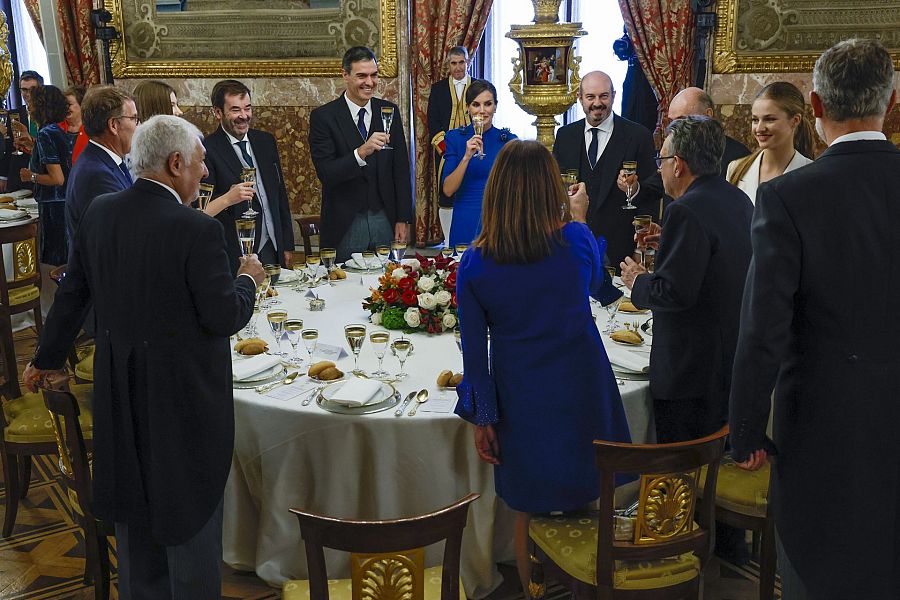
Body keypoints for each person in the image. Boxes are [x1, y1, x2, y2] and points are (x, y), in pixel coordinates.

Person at [23, 114, 264, 598]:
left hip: (119, 392)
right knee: (190, 520)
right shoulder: (196, 229)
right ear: (175, 164)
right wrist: (248, 280)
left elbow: (74, 296)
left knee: (135, 517)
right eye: (199, 165)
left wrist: (46, 358)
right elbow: (223, 317)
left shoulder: (102, 212)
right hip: (184, 402)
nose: (203, 175)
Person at [729, 38, 900, 598]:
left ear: (818, 107)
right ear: (890, 102)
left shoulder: (787, 198)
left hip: (825, 427)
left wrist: (747, 428)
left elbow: (763, 328)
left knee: (818, 573)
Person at [455, 139, 630, 593]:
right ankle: (591, 586)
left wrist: (485, 419)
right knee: (590, 494)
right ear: (551, 189)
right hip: (581, 385)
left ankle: (534, 590)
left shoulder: (475, 262)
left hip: (522, 393)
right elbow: (598, 285)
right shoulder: (572, 240)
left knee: (525, 508)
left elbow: (474, 356)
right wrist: (579, 218)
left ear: (496, 191)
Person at [619, 116, 752, 444]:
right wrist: (669, 242)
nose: (659, 168)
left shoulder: (686, 210)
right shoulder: (735, 198)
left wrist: (637, 281)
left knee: (676, 473)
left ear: (677, 165)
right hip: (724, 363)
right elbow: (715, 262)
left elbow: (673, 293)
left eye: (661, 160)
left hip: (688, 373)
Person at [309, 46, 413, 261]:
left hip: (384, 218)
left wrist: (403, 218)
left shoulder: (388, 111)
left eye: (374, 75)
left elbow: (401, 170)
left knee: (389, 285)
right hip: (345, 221)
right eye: (361, 76)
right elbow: (327, 173)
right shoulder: (324, 117)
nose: (370, 82)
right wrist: (361, 152)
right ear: (345, 75)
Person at [553, 71, 656, 270]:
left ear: (614, 96)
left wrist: (634, 189)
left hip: (622, 247)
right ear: (580, 98)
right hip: (572, 245)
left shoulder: (638, 136)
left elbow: (655, 189)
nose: (597, 103)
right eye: (590, 97)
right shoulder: (565, 135)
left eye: (604, 96)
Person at [202, 79, 294, 271]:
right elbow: (202, 209)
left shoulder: (265, 141)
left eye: (248, 108)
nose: (244, 116)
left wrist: (286, 245)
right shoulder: (207, 150)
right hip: (233, 252)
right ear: (218, 113)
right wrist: (230, 198)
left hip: (272, 246)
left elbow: (280, 195)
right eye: (235, 110)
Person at [619, 87, 751, 206]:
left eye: (681, 120)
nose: (674, 129)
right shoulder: (673, 150)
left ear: (708, 115)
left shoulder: (738, 155)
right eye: (671, 122)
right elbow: (653, 188)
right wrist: (633, 187)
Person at [65, 86, 139, 260]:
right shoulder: (97, 174)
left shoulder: (104, 161)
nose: (138, 126)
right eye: (134, 118)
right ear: (114, 125)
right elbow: (118, 236)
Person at [440, 79, 516, 247]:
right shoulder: (454, 138)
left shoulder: (509, 142)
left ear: (495, 106)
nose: (482, 111)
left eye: (488, 104)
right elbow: (448, 190)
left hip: (498, 220)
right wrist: (466, 156)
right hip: (465, 217)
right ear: (468, 108)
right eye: (476, 105)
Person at [726, 82, 815, 202]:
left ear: (795, 121)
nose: (759, 128)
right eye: (755, 120)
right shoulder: (736, 169)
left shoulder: (812, 173)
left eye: (770, 119)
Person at [19, 85, 71, 267]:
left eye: (31, 103)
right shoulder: (57, 130)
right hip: (65, 202)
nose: (29, 107)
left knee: (55, 262)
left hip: (54, 205)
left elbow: (57, 178)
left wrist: (30, 176)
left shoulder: (45, 134)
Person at [427, 45, 472, 244]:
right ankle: (447, 241)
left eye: (461, 62)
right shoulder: (438, 89)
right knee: (447, 194)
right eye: (453, 63)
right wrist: (447, 150)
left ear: (467, 62)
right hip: (447, 153)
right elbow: (433, 122)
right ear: (448, 65)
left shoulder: (479, 86)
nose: (458, 68)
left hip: (475, 149)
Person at [0, 70, 43, 193]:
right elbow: (6, 148)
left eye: (32, 89)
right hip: (18, 176)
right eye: (24, 89)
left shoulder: (51, 114)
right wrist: (3, 176)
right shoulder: (13, 115)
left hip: (46, 174)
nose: (28, 93)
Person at [60, 85, 89, 164]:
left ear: (82, 105)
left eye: (69, 105)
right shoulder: (57, 128)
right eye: (63, 105)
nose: (65, 108)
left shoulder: (92, 129)